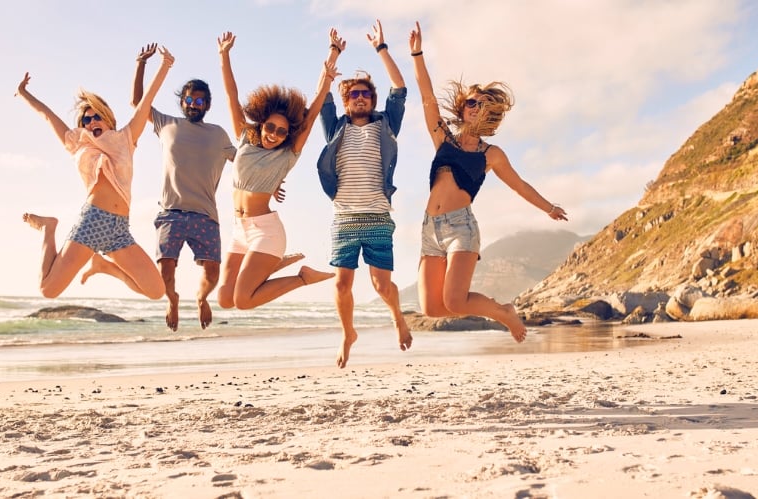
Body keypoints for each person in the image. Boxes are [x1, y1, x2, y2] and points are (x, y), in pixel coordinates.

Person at [408, 22, 568, 342]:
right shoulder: (443, 140)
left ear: (489, 113)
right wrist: (417, 54)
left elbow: (520, 186)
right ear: (462, 108)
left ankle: (503, 313)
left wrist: (549, 207)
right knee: (432, 309)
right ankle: (501, 309)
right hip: (430, 228)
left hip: (460, 228)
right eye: (470, 102)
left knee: (454, 300)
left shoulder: (490, 154)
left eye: (481, 103)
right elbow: (427, 97)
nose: (474, 107)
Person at [16, 48, 175, 300]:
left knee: (156, 291)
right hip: (92, 222)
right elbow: (48, 116)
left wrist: (165, 65)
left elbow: (146, 101)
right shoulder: (79, 144)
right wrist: (24, 93)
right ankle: (48, 227)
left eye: (96, 116)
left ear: (108, 119)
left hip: (119, 228)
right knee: (48, 290)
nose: (91, 122)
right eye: (86, 120)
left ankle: (104, 266)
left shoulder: (125, 138)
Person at [215, 31, 337, 310]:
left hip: (265, 232)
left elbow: (314, 108)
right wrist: (224, 55)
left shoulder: (287, 155)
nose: (274, 134)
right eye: (270, 127)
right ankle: (272, 265)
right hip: (239, 230)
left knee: (243, 301)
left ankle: (303, 278)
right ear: (261, 123)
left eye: (282, 131)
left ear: (287, 135)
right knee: (224, 300)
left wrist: (330, 62)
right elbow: (231, 95)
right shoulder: (245, 137)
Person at [318, 20, 413, 369]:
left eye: (365, 94)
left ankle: (397, 317)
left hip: (376, 216)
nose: (360, 98)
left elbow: (400, 88)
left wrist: (382, 49)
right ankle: (347, 334)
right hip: (343, 217)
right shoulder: (335, 127)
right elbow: (320, 95)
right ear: (346, 102)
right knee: (342, 284)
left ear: (372, 100)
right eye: (353, 94)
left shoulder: (386, 125)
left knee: (380, 285)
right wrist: (332, 54)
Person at [132, 44, 237, 332]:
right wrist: (141, 65)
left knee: (213, 272)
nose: (193, 104)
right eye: (189, 99)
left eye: (200, 101)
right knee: (165, 267)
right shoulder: (166, 124)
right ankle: (173, 299)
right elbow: (138, 103)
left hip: (205, 214)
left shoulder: (218, 134)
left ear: (207, 106)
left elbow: (244, 163)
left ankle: (202, 298)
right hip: (171, 213)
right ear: (182, 102)